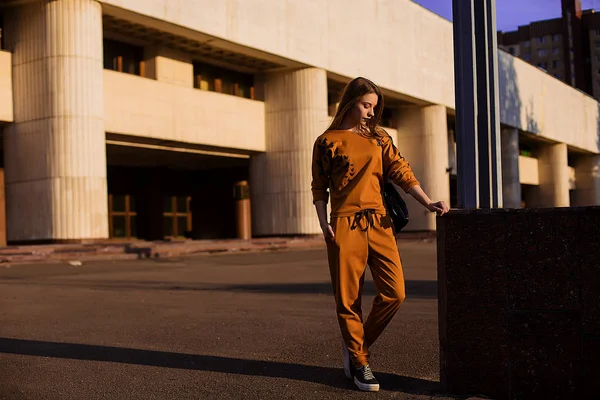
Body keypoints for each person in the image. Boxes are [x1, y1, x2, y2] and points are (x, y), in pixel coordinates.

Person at [311, 77, 449, 392]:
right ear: (349, 102)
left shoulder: (379, 138)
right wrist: (323, 223)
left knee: (395, 293)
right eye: (366, 105)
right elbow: (319, 187)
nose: (372, 112)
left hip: (380, 222)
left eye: (374, 107)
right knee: (348, 300)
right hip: (343, 224)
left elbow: (401, 170)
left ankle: (355, 348)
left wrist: (427, 202)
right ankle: (360, 363)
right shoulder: (327, 141)